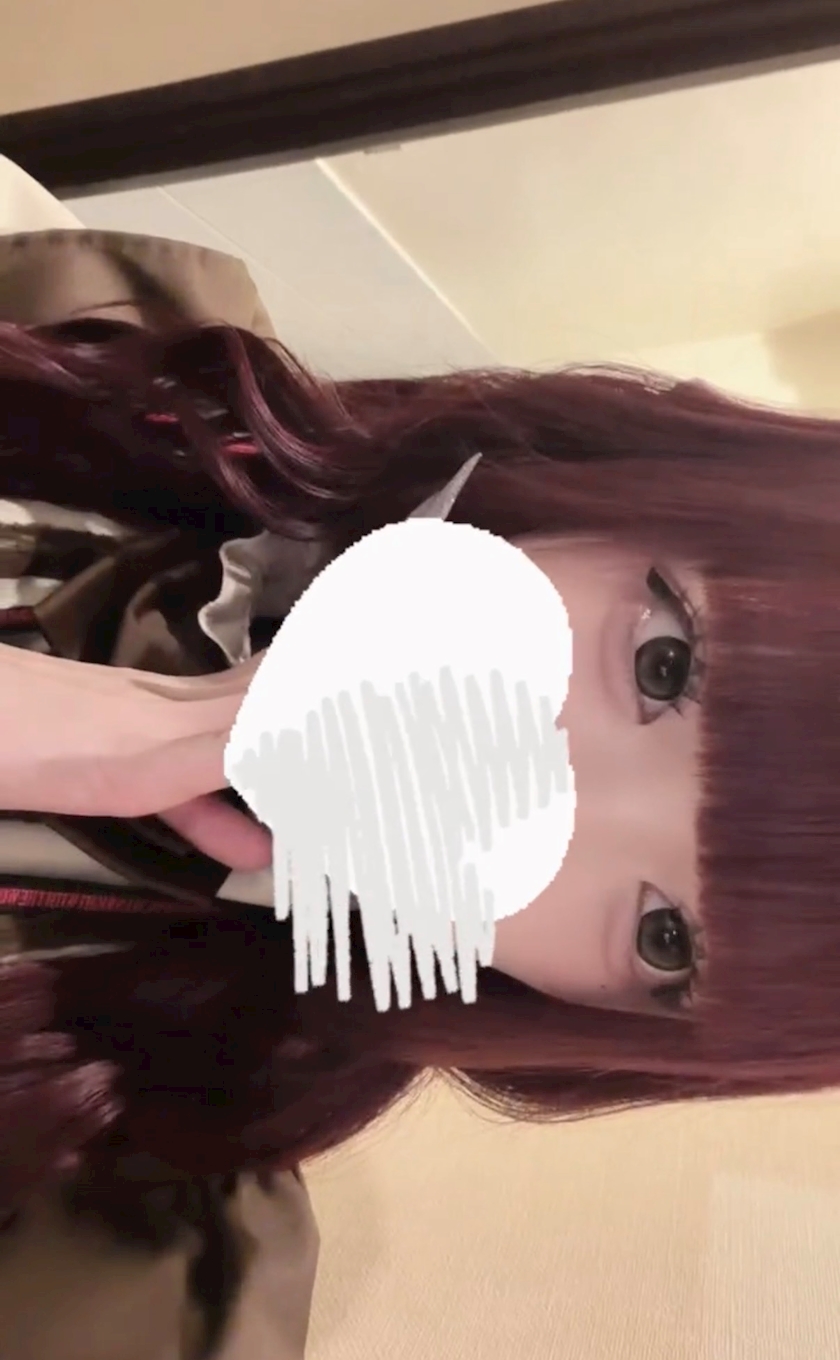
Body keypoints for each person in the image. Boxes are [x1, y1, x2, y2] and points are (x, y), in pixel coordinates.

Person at [2, 166, 839, 1355]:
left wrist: (128, 732)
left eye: (665, 938)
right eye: (662, 665)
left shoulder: (140, 1235)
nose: (532, 794)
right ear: (629, 497)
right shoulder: (120, 339)